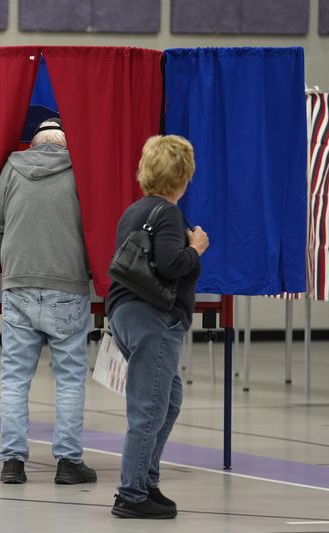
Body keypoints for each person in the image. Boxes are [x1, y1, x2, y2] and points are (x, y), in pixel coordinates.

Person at [0, 118, 96, 485]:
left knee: (15, 379)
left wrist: (15, 263)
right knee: (69, 380)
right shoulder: (79, 173)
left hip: (18, 286)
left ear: (34, 143)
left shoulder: (12, 168)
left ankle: (12, 463)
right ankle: (68, 463)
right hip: (68, 286)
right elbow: (92, 228)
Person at [106, 135, 209, 519]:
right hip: (154, 319)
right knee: (148, 407)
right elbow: (171, 265)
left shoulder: (134, 210)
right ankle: (131, 493)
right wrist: (196, 247)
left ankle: (145, 479)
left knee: (169, 400)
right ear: (183, 174)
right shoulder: (167, 214)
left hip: (125, 315)